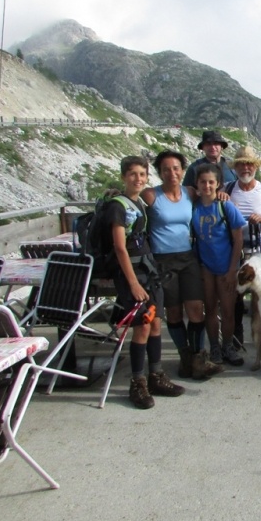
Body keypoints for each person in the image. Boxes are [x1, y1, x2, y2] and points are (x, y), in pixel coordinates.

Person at [107, 155, 185, 409]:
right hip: (133, 274)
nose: (138, 179)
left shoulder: (138, 203)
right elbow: (120, 247)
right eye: (133, 174)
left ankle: (156, 375)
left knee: (155, 323)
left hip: (148, 271)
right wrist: (133, 284)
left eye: (142, 174)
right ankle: (137, 382)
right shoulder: (118, 206)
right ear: (123, 176)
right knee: (142, 326)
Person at [141, 150, 222, 381]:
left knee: (196, 309)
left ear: (183, 170)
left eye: (176, 168)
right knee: (174, 311)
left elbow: (209, 193)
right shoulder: (151, 195)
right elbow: (131, 200)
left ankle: (198, 358)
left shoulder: (189, 192)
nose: (172, 173)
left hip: (187, 258)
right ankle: (185, 359)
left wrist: (222, 195)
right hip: (162, 260)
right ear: (159, 172)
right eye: (166, 169)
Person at [192, 163, 246, 367]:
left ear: (218, 184)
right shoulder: (194, 206)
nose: (207, 186)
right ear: (197, 183)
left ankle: (228, 346)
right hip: (206, 266)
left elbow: (238, 239)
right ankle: (214, 346)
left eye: (211, 182)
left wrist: (233, 269)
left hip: (226, 266)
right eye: (203, 182)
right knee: (210, 309)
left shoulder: (226, 206)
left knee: (228, 311)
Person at [226, 146, 261, 348]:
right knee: (235, 296)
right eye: (241, 164)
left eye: (249, 164)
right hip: (235, 251)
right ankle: (237, 336)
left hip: (260, 251)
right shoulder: (227, 190)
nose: (245, 168)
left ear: (255, 167)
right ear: (235, 168)